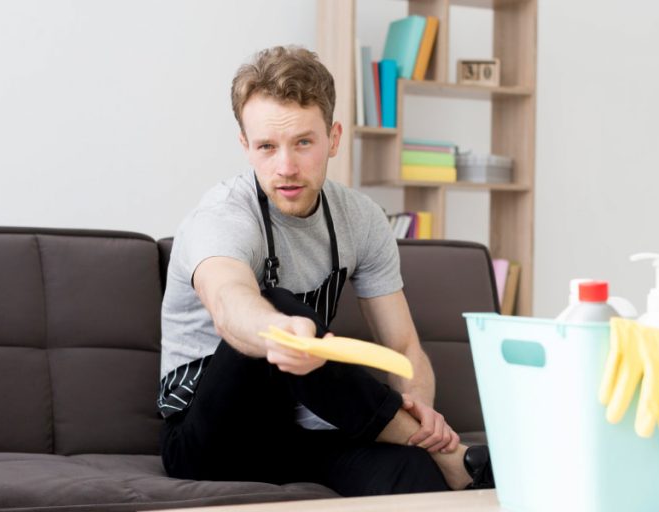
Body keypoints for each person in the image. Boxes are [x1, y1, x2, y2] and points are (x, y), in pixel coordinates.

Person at [157, 45, 492, 496]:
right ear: (245, 146)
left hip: (296, 431)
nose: (286, 167)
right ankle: (446, 454)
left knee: (412, 476)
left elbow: (403, 344)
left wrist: (422, 418)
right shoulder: (222, 216)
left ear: (333, 138)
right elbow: (229, 302)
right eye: (267, 147)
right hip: (207, 438)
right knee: (275, 310)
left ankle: (430, 453)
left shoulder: (361, 218)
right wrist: (281, 329)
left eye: (303, 143)